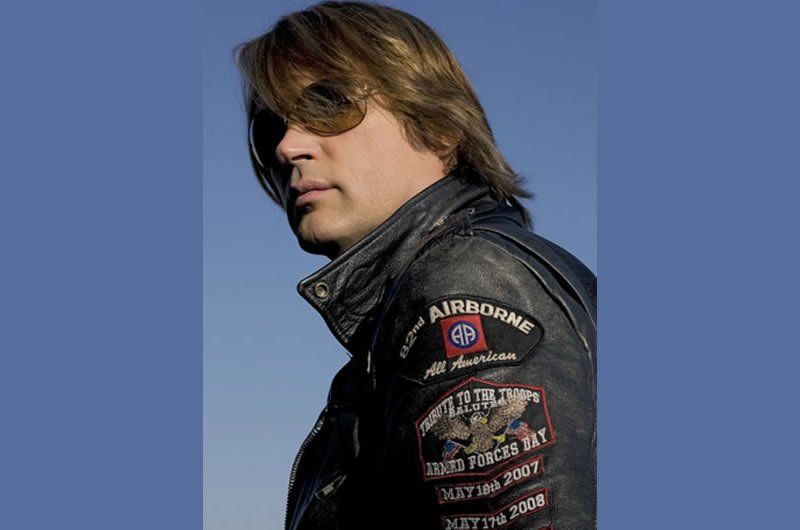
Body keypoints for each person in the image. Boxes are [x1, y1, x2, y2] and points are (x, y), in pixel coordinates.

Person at [235, 2, 596, 528]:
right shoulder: (412, 308)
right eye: (270, 127)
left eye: (327, 103)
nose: (288, 146)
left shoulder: (466, 288)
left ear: (437, 125)